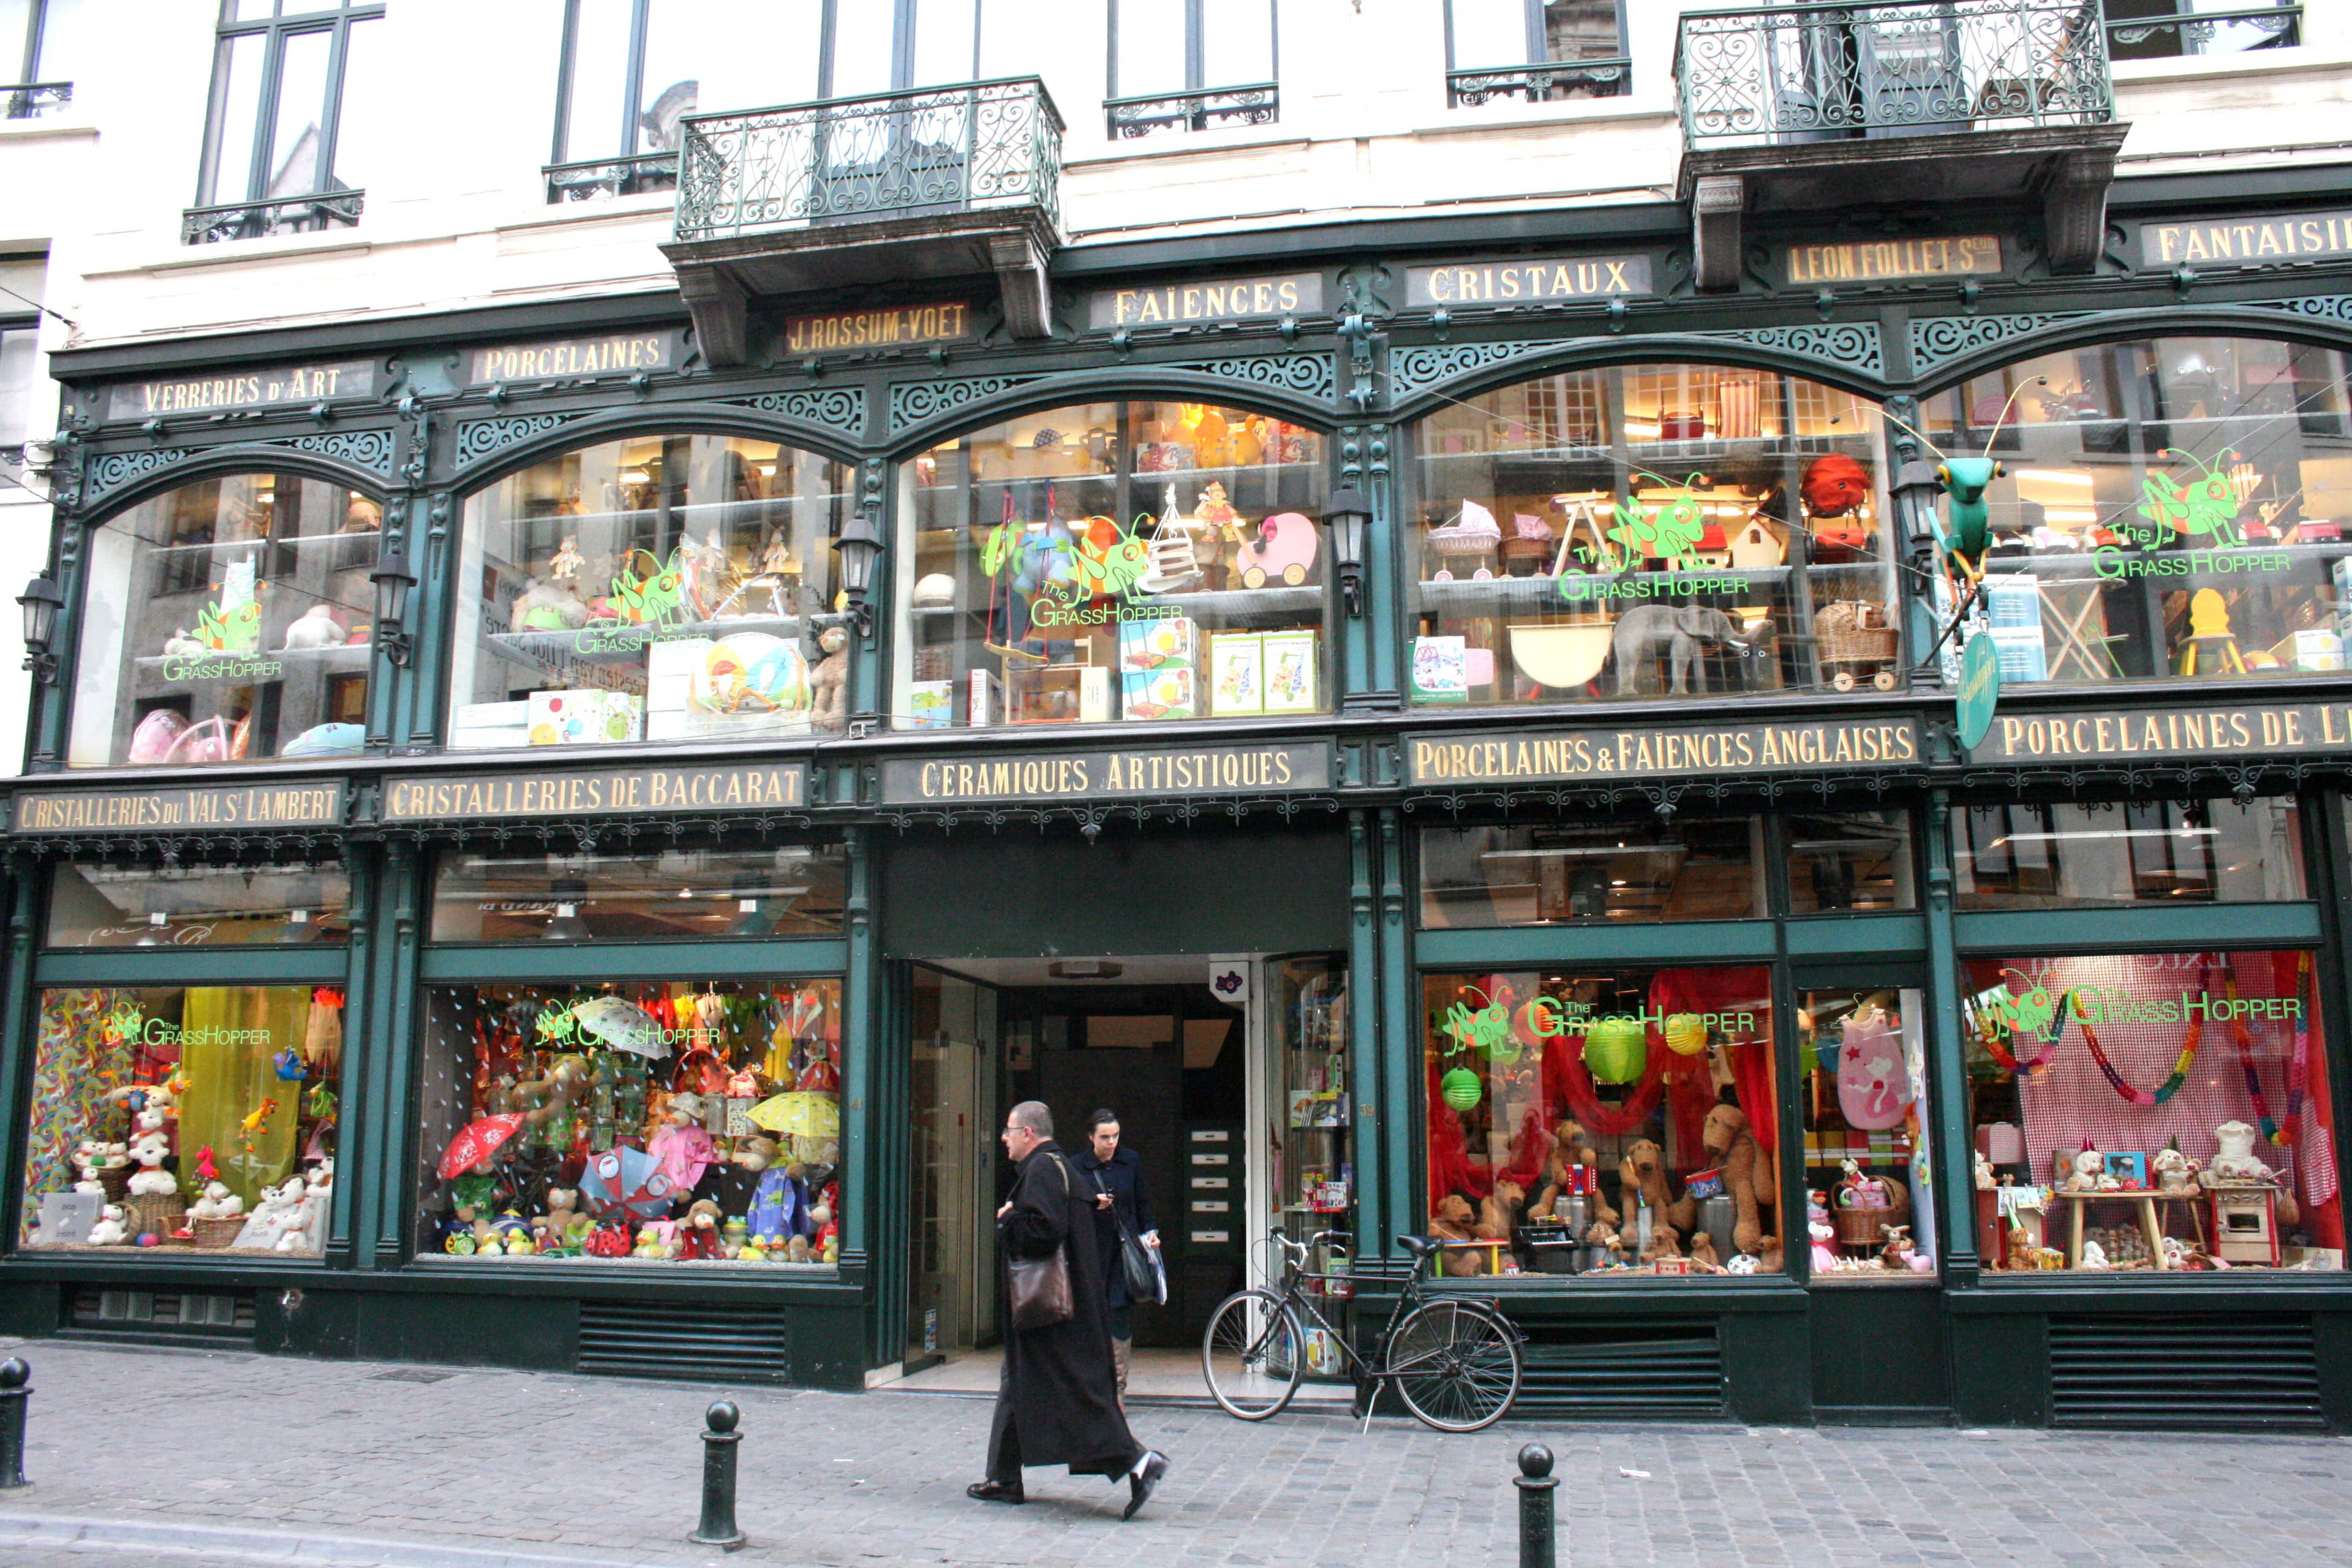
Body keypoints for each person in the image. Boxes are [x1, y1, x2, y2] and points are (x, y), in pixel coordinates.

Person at [970, 1101, 1169, 1518]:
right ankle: (1004, 1477)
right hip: (1061, 1309)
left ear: (1028, 1133)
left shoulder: (1043, 1171)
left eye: (1009, 1131)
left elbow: (1045, 1230)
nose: (1004, 1139)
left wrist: (1008, 1221)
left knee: (1072, 1395)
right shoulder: (1062, 1167)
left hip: (1050, 1311)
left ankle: (1137, 1462)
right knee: (1023, 1384)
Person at [1072, 1108, 1158, 1408]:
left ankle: (1118, 1390)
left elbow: (1142, 1202)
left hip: (1124, 1251)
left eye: (1116, 1136)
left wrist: (1151, 1234)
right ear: (1091, 1138)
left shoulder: (1130, 1160)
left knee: (1119, 1315)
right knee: (1091, 1317)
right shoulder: (1077, 1166)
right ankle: (1093, 1389)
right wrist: (1090, 1202)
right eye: (1105, 1137)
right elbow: (1068, 1208)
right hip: (1091, 1252)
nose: (1111, 1143)